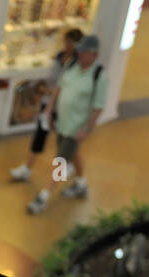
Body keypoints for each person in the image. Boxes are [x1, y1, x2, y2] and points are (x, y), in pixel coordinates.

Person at [27, 33, 106, 215]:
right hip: (62, 122)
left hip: (77, 127)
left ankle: (45, 195)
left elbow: (98, 107)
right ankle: (81, 184)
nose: (79, 55)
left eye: (84, 52)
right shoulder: (71, 66)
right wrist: (49, 109)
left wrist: (87, 129)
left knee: (61, 160)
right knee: (73, 154)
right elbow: (58, 88)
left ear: (93, 54)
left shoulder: (99, 77)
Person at [10, 27, 84, 183]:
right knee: (40, 135)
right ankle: (29, 168)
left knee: (66, 143)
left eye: (72, 42)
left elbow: (69, 89)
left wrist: (50, 92)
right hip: (50, 105)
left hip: (64, 108)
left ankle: (72, 177)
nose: (68, 45)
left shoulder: (78, 66)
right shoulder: (58, 58)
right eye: (67, 41)